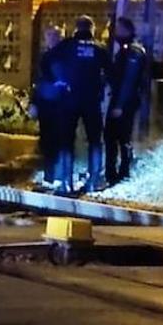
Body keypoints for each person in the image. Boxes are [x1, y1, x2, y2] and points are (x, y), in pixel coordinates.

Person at [51, 15, 110, 194]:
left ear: (76, 28)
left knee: (66, 140)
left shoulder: (67, 45)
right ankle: (94, 181)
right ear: (92, 29)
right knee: (95, 140)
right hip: (92, 101)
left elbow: (47, 61)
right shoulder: (99, 48)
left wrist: (58, 80)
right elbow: (111, 72)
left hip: (69, 99)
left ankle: (66, 181)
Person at [105, 17, 149, 186]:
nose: (115, 32)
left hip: (125, 102)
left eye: (118, 29)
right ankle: (113, 174)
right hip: (120, 100)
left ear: (127, 30)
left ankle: (122, 174)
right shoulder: (124, 50)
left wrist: (119, 105)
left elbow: (129, 81)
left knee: (122, 138)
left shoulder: (134, 52)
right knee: (112, 137)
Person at [31, 26, 65, 189]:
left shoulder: (64, 57)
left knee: (57, 142)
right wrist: (34, 103)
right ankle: (49, 176)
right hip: (46, 105)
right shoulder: (45, 57)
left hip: (59, 106)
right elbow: (39, 82)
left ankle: (55, 176)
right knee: (47, 142)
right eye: (48, 36)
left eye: (53, 36)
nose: (50, 39)